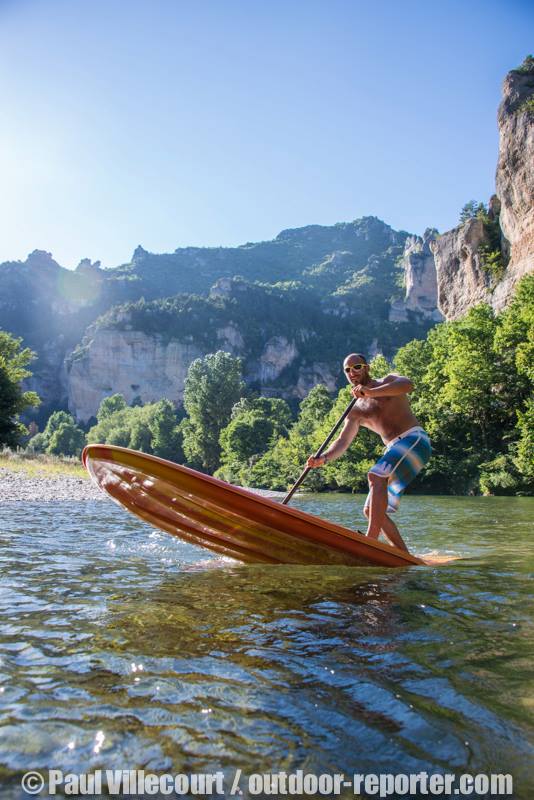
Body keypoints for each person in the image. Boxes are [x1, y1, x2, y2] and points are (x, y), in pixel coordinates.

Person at [307, 353, 431, 553]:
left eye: (356, 367)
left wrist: (371, 393)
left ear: (367, 367)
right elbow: (343, 441)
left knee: (375, 474)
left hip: (414, 439)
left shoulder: (388, 382)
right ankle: (403, 557)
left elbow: (408, 384)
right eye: (347, 370)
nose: (352, 372)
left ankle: (370, 541)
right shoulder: (355, 410)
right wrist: (323, 458)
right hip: (394, 449)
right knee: (370, 510)